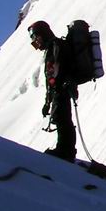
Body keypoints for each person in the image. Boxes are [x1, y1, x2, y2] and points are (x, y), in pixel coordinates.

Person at [28, 20, 77, 161]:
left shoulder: (56, 46)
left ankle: (65, 151)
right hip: (60, 89)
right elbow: (51, 77)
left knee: (62, 118)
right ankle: (64, 149)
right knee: (61, 117)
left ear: (42, 34)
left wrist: (57, 88)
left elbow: (56, 72)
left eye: (35, 38)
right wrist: (47, 102)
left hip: (61, 89)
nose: (35, 43)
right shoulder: (53, 47)